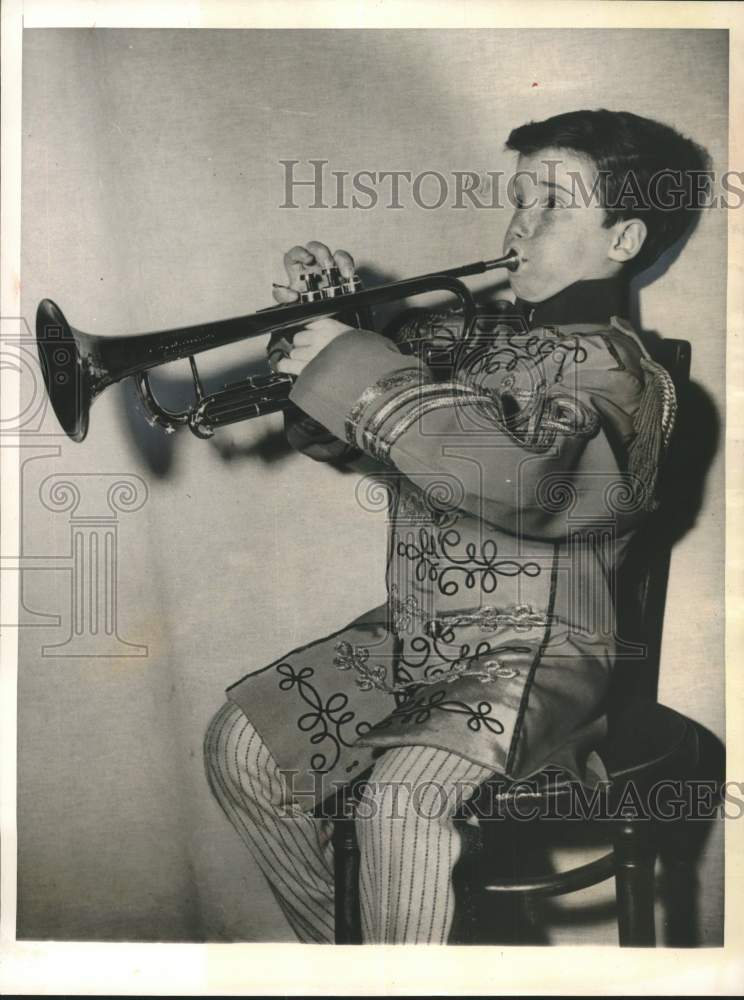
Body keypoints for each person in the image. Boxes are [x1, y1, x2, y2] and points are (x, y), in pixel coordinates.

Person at [204, 109, 709, 944]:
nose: (518, 223)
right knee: (242, 745)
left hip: (547, 650)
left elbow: (525, 480)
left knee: (403, 799)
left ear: (624, 238)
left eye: (551, 203)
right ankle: (359, 961)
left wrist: (358, 367)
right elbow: (340, 439)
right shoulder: (465, 339)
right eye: (518, 198)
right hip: (421, 639)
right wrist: (329, 329)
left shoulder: (619, 371)